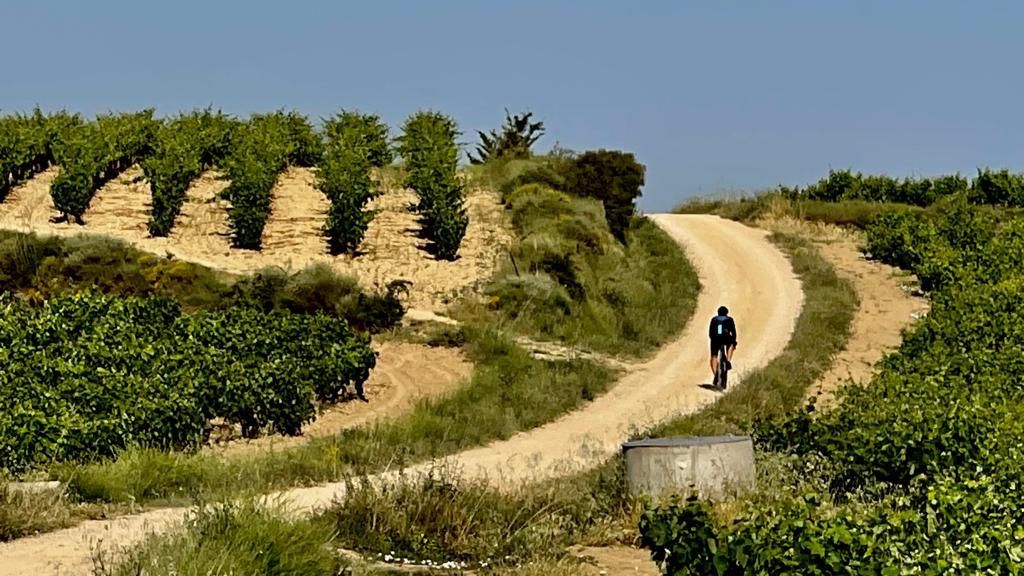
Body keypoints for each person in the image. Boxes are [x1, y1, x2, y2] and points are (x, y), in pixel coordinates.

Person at [709, 305, 737, 382]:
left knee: (714, 356)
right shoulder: (729, 319)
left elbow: (710, 333)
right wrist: (734, 342)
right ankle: (728, 360)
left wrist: (713, 340)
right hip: (725, 337)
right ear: (727, 313)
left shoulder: (714, 319)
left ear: (718, 313)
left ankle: (715, 374)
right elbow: (733, 333)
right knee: (731, 343)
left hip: (715, 338)